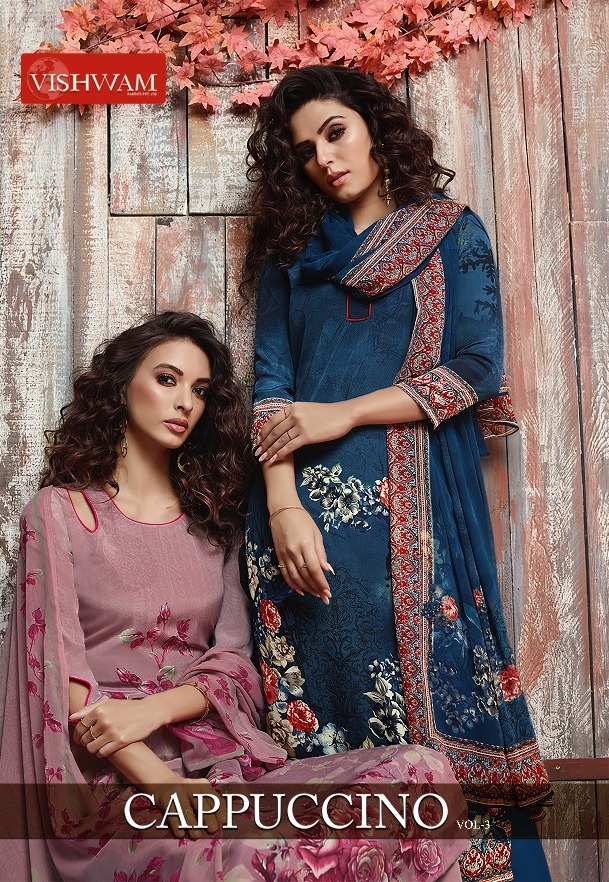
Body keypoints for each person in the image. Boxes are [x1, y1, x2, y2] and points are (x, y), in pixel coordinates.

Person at [0, 311, 468, 881]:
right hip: (114, 778)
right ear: (121, 387)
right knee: (249, 854)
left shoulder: (213, 522)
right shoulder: (59, 511)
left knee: (422, 778)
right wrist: (161, 783)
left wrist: (157, 710)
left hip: (217, 761)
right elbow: (59, 671)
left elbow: (235, 665)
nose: (185, 403)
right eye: (167, 380)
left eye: (199, 390)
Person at [243, 65, 552, 882]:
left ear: (375, 127)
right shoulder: (291, 254)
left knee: (434, 718)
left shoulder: (451, 232)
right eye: (304, 150)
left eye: (335, 132)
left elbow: (476, 369)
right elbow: (270, 385)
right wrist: (281, 506)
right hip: (303, 531)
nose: (324, 158)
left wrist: (341, 413)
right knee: (326, 737)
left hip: (418, 520)